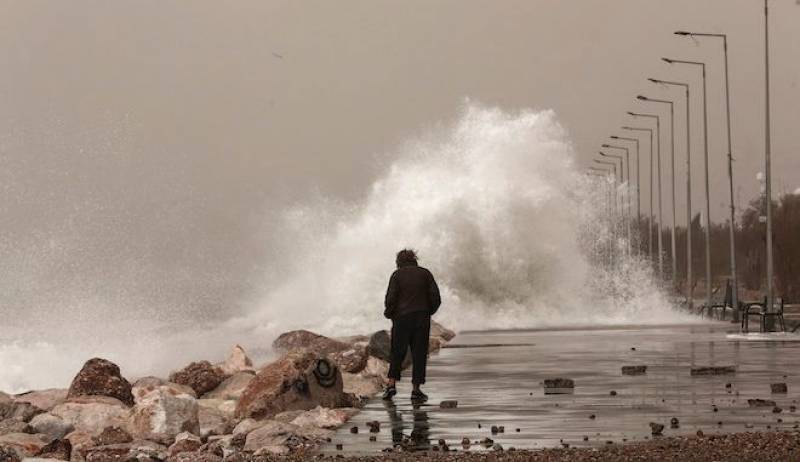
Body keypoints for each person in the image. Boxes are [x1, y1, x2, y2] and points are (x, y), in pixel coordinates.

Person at [382, 248, 441, 402]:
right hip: (421, 317)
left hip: (401, 318)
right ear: (414, 259)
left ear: (399, 262)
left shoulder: (396, 275)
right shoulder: (425, 273)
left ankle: (391, 385)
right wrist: (428, 312)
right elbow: (436, 298)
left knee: (397, 352)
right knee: (419, 353)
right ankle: (416, 390)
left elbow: (391, 298)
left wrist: (389, 313)